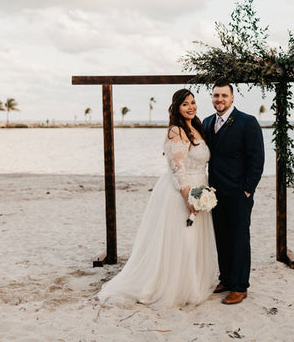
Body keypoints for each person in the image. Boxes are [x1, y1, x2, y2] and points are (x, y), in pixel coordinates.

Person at [97, 89, 219, 309]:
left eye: (193, 102)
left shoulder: (196, 127)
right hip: (182, 192)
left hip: (201, 186)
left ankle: (192, 281)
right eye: (185, 104)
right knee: (182, 239)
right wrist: (189, 198)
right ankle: (176, 286)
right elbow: (177, 168)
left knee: (193, 240)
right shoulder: (176, 131)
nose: (191, 107)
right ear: (176, 108)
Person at [202, 79, 265, 305]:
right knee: (222, 238)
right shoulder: (207, 122)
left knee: (239, 239)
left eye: (224, 96)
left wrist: (248, 190)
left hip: (239, 193)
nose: (219, 99)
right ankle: (226, 278)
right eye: (216, 95)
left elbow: (257, 160)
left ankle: (240, 286)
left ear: (232, 98)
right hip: (214, 194)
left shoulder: (247, 122)